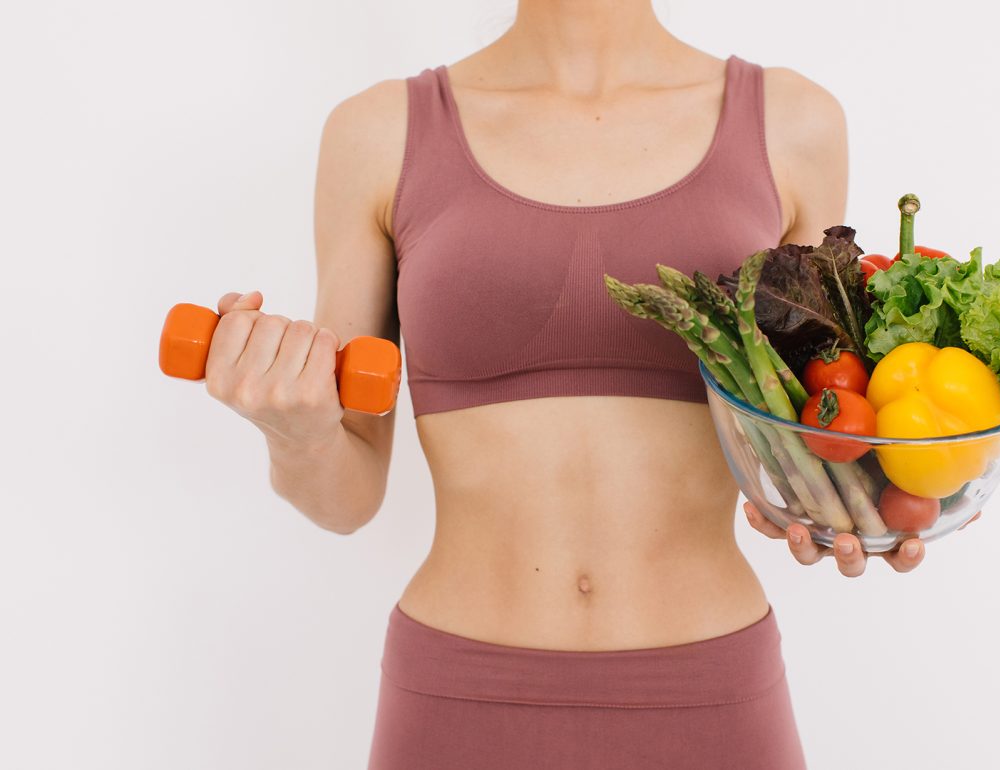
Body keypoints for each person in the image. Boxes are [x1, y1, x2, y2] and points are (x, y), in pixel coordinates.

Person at [201, 1, 935, 766]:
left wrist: (907, 490)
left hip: (708, 693)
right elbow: (347, 496)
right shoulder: (377, 132)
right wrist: (300, 432)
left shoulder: (794, 123)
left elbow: (822, 411)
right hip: (459, 697)